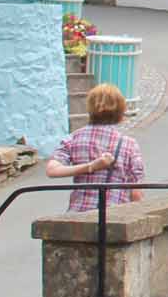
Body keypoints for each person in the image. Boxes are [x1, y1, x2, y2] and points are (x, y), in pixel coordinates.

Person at [47, 83, 146, 212]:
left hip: (78, 216)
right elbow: (135, 193)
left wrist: (90, 167)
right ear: (121, 113)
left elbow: (52, 170)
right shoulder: (129, 144)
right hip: (114, 217)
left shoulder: (74, 138)